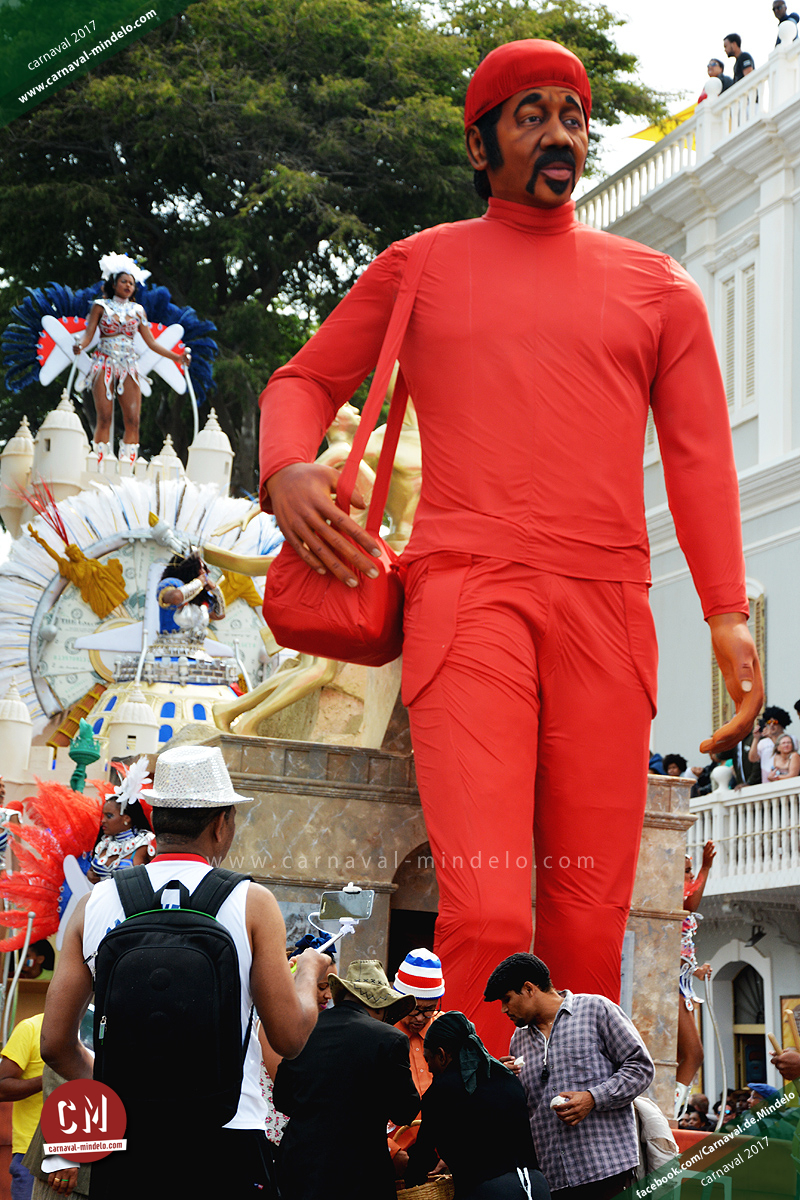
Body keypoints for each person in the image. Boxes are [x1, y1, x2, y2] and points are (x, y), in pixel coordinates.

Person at [258, 37, 762, 1054]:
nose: (558, 134)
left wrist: (725, 613)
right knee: (487, 911)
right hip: (468, 595)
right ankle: (479, 1117)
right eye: (531, 115)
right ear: (480, 145)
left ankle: (571, 1120)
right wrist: (286, 469)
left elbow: (700, 455)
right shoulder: (422, 265)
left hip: (606, 608)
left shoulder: (658, 288)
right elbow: (302, 380)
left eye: (572, 116)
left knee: (587, 917)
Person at [40, 744, 327, 1200]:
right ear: (221, 824)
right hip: (228, 1133)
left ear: (156, 818)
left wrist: (117, 1088)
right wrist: (308, 970)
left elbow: (55, 1045)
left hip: (129, 1140)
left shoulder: (94, 903)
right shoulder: (252, 903)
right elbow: (290, 1038)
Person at [484, 953, 654, 1200]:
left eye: (507, 999)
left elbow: (640, 1067)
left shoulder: (596, 1010)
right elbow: (524, 1109)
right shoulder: (518, 1040)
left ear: (529, 989)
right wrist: (505, 1081)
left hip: (607, 1171)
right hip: (552, 1180)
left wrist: (592, 1098)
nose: (504, 1009)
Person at [273, 960, 420, 1200]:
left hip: (299, 1168)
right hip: (359, 1174)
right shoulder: (389, 1039)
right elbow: (405, 1111)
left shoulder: (304, 1028)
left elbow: (282, 1099)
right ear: (380, 1006)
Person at [404, 1011, 549, 1200]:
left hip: (489, 1191)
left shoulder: (441, 1090)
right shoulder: (507, 1078)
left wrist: (410, 1183)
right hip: (536, 1185)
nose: (429, 1067)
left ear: (441, 1054)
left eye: (428, 1059)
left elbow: (423, 1153)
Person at [72, 252, 189, 464]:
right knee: (104, 417)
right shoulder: (100, 306)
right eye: (124, 281)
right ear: (113, 284)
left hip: (129, 365)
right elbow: (89, 335)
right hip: (104, 362)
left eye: (132, 283)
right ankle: (100, 463)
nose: (128, 286)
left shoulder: (138, 311)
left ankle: (128, 465)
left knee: (133, 419)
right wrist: (80, 345)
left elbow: (152, 343)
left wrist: (177, 357)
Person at [257, 935, 337, 1149]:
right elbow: (288, 1084)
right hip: (274, 1140)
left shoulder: (313, 1023)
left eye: (333, 987)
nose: (329, 995)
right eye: (321, 987)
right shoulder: (273, 1023)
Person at [388, 948, 446, 1167]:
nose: (420, 1018)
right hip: (392, 1155)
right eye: (414, 1010)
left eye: (429, 1010)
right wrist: (391, 1152)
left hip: (440, 1154)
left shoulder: (446, 1032)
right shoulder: (381, 1034)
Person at [676, 842, 715, 1118]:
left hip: (682, 985)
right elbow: (691, 903)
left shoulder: (680, 907)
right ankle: (671, 1113)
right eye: (687, 871)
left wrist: (696, 971)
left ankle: (673, 1112)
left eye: (691, 870)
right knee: (694, 1054)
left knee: (688, 1055)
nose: (691, 876)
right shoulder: (672, 903)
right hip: (671, 987)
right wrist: (706, 868)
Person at [86, 760, 155, 884]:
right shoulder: (104, 843)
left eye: (109, 816)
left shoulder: (146, 843)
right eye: (103, 815)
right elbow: (93, 872)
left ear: (126, 818)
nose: (103, 821)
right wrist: (90, 874)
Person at [0, 1012, 44, 1200]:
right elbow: (2, 1087)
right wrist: (49, 1078)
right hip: (33, 1153)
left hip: (86, 1150)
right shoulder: (31, 1028)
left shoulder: (97, 1028)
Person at [748, 706, 794, 781]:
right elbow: (752, 759)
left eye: (775, 722)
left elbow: (781, 750)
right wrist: (756, 738)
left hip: (785, 782)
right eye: (769, 722)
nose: (772, 725)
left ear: (782, 723)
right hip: (767, 783)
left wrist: (771, 737)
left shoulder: (790, 739)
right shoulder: (763, 742)